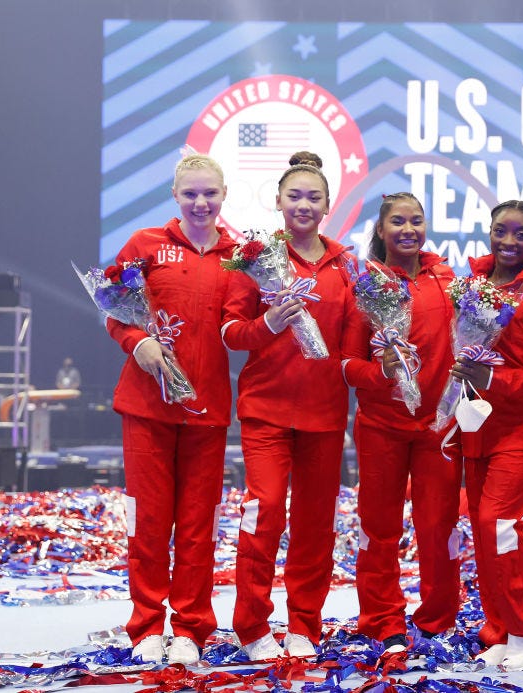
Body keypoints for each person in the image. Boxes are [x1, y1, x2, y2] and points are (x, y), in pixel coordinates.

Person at [223, 151, 362, 661]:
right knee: (262, 516)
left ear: (328, 205)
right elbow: (232, 334)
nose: (304, 204)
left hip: (325, 417)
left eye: (314, 197)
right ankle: (253, 626)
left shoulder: (346, 266)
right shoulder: (256, 259)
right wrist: (270, 326)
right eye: (294, 195)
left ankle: (305, 623)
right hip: (266, 412)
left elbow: (351, 348)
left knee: (314, 525)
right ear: (278, 200)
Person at [106, 152, 238, 665]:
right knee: (150, 524)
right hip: (147, 407)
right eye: (191, 194)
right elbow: (116, 312)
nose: (201, 202)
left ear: (224, 194)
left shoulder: (241, 255)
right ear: (175, 197)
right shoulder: (144, 245)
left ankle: (190, 626)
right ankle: (145, 626)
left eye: (210, 193)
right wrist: (136, 341)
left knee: (198, 526)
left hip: (207, 411)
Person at [449, 200, 523, 672]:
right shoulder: (471, 286)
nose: (509, 242)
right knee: (482, 531)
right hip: (475, 426)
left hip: (521, 427)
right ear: (489, 231)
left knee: (498, 524)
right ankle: (497, 627)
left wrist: (495, 380)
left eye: (522, 235)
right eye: (502, 231)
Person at [342, 193, 461, 655]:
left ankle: (437, 618)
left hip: (438, 429)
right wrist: (382, 374)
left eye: (416, 221)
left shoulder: (447, 280)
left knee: (438, 527)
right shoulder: (365, 285)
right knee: (379, 528)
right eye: (398, 222)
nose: (408, 229)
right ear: (381, 229)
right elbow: (347, 363)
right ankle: (381, 617)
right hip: (380, 426)